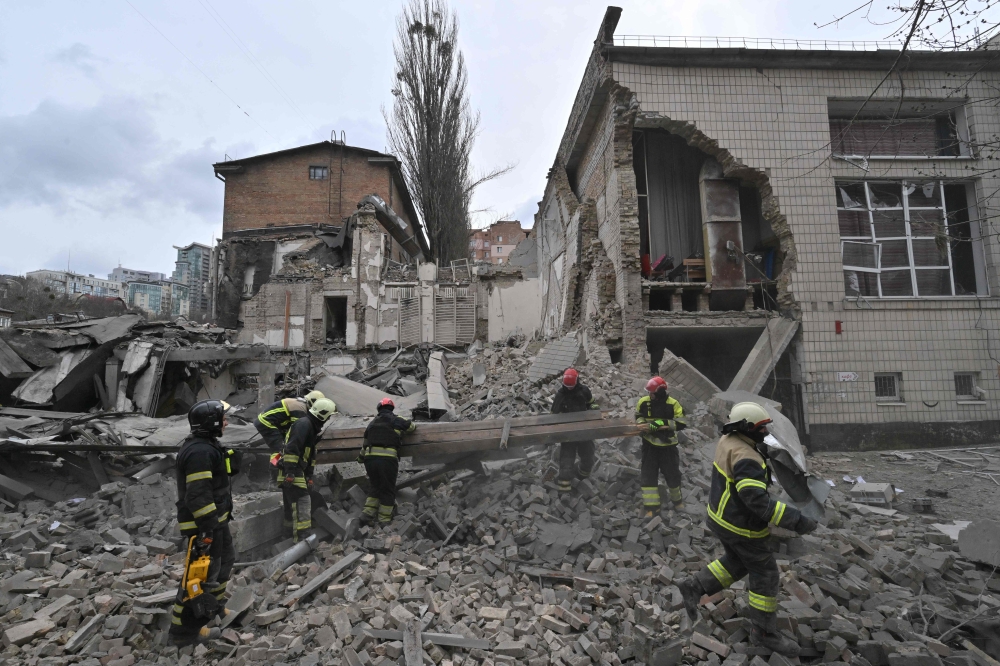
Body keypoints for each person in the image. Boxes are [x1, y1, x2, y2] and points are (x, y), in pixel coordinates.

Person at [675, 402, 817, 657]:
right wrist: (796, 520)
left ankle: (694, 586)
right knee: (765, 573)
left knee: (738, 562)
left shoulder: (729, 441)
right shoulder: (748, 459)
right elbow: (757, 502)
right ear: (747, 428)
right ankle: (764, 633)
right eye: (761, 429)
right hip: (740, 526)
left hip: (720, 517)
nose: (765, 433)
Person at [170, 400, 242, 645]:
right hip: (204, 526)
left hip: (215, 523)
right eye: (223, 419)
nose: (226, 423)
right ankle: (185, 632)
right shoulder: (200, 452)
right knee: (197, 578)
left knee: (222, 565)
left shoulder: (208, 446)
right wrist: (207, 530)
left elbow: (216, 481)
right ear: (210, 422)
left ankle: (213, 609)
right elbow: (197, 494)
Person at [279, 398, 337, 542]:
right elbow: (292, 448)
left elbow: (310, 455)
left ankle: (287, 536)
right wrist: (291, 472)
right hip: (291, 470)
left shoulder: (310, 428)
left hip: (295, 470)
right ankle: (302, 540)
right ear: (322, 414)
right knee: (302, 502)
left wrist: (309, 476)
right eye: (328, 416)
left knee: (291, 506)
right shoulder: (304, 425)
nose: (328, 419)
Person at [634, 376, 687, 517]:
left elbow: (681, 423)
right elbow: (638, 415)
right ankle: (652, 508)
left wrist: (659, 424)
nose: (650, 395)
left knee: (673, 474)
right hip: (649, 446)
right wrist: (642, 425)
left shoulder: (673, 404)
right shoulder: (643, 402)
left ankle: (677, 502)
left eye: (652, 393)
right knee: (648, 475)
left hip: (668, 446)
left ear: (661, 392)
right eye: (649, 392)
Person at [360, 398, 416, 526]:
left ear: (379, 408)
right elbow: (412, 427)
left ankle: (366, 514)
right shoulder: (396, 419)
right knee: (388, 488)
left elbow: (365, 444)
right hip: (387, 458)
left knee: (375, 485)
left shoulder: (372, 423)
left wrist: (360, 458)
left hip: (370, 459)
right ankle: (384, 520)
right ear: (392, 408)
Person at [551, 368, 600, 492]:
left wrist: (594, 408)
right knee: (566, 462)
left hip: (584, 432)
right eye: (567, 386)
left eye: (571, 386)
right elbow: (553, 415)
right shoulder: (560, 395)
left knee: (588, 457)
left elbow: (591, 403)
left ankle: (582, 479)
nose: (569, 389)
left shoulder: (584, 391)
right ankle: (564, 491)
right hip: (568, 435)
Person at [255, 391, 325, 452]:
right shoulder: (300, 408)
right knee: (281, 449)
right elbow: (297, 430)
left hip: (270, 422)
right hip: (267, 422)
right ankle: (275, 466)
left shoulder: (300, 404)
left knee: (283, 443)